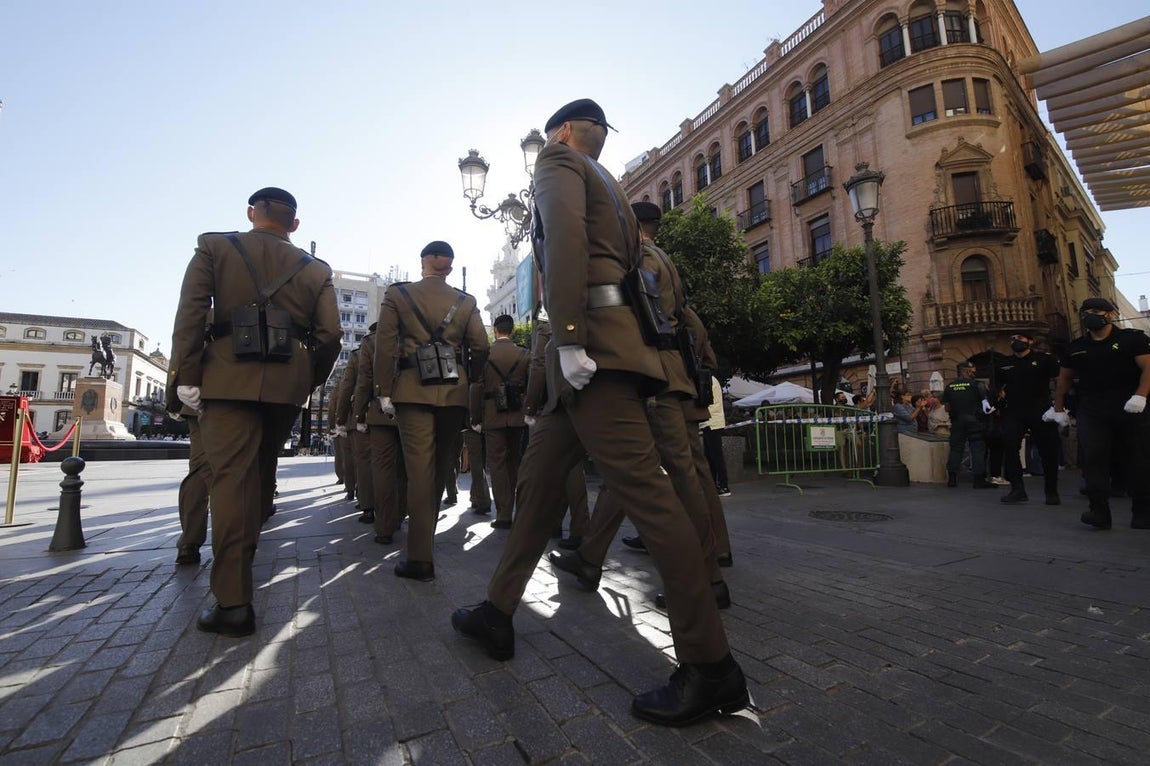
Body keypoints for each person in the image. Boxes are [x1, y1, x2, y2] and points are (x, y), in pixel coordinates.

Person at [451, 99, 747, 727]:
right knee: (536, 492)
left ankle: (711, 665)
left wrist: (565, 336)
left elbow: (562, 243)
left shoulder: (559, 161)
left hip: (590, 351)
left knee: (648, 495)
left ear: (559, 132)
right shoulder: (613, 186)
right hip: (604, 352)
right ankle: (497, 612)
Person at [170, 186, 341, 637]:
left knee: (229, 481)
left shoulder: (215, 245)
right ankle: (240, 574)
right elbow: (330, 336)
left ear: (251, 213)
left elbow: (190, 312)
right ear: (295, 225)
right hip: (286, 384)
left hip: (226, 378)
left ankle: (233, 601)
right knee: (257, 475)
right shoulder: (316, 268)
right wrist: (307, 380)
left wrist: (186, 375)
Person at [549, 202, 730, 610]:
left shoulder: (643, 257)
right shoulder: (664, 257)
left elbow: (643, 317)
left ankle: (708, 580)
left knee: (678, 479)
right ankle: (590, 559)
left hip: (657, 377)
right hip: (669, 375)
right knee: (633, 472)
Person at [373, 240, 488, 581]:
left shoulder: (398, 295)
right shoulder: (466, 302)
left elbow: (385, 346)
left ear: (423, 261)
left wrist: (384, 391)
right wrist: (471, 379)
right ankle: (425, 541)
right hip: (454, 393)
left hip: (412, 390)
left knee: (418, 470)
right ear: (450, 266)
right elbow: (481, 346)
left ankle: (420, 556)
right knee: (440, 467)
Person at [1048, 298, 1150, 529]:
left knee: (1138, 459)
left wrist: (1140, 395)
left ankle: (1143, 512)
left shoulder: (1132, 339)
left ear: (1110, 315)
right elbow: (1063, 380)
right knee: (1093, 459)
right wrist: (1058, 409)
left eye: (1096, 311)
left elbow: (1148, 368)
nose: (1090, 315)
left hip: (1129, 406)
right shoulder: (1075, 347)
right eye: (1085, 312)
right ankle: (1099, 512)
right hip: (1092, 409)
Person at [522, 307, 590, 546]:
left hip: (558, 400)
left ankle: (559, 525)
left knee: (552, 465)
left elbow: (539, 363)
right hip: (586, 394)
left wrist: (530, 406)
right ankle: (578, 526)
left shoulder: (547, 322)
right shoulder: (588, 313)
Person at [354, 322, 408, 544]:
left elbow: (364, 380)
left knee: (382, 468)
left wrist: (358, 414)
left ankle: (384, 526)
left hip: (379, 413)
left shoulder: (370, 342)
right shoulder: (413, 335)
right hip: (409, 409)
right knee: (405, 468)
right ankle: (399, 515)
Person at [475, 314, 529, 529]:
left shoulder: (485, 355)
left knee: (496, 464)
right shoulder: (525, 353)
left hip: (492, 414)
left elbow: (476, 388)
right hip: (518, 414)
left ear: (495, 330)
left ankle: (504, 514)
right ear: (512, 331)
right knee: (515, 461)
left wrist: (475, 417)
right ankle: (519, 509)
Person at [997, 332, 1061, 505]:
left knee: (1048, 450)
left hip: (1040, 409)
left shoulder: (1044, 360)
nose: (1016, 341)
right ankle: (1017, 489)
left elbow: (1059, 379)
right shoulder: (1004, 363)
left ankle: (1051, 490)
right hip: (1013, 411)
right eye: (1012, 338)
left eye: (1020, 338)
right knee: (1010, 447)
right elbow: (996, 385)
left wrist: (1059, 407)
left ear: (1030, 341)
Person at [941, 359, 995, 489]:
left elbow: (947, 407)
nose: (974, 374)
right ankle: (978, 480)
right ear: (967, 370)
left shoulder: (950, 386)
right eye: (973, 371)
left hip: (957, 421)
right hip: (974, 421)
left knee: (955, 449)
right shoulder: (977, 385)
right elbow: (986, 405)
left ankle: (952, 479)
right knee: (977, 449)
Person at [701, 375, 730, 497]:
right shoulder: (711, 379)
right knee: (711, 456)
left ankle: (723, 486)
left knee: (715, 456)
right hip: (711, 421)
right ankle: (716, 485)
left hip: (711, 421)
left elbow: (705, 399)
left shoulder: (706, 379)